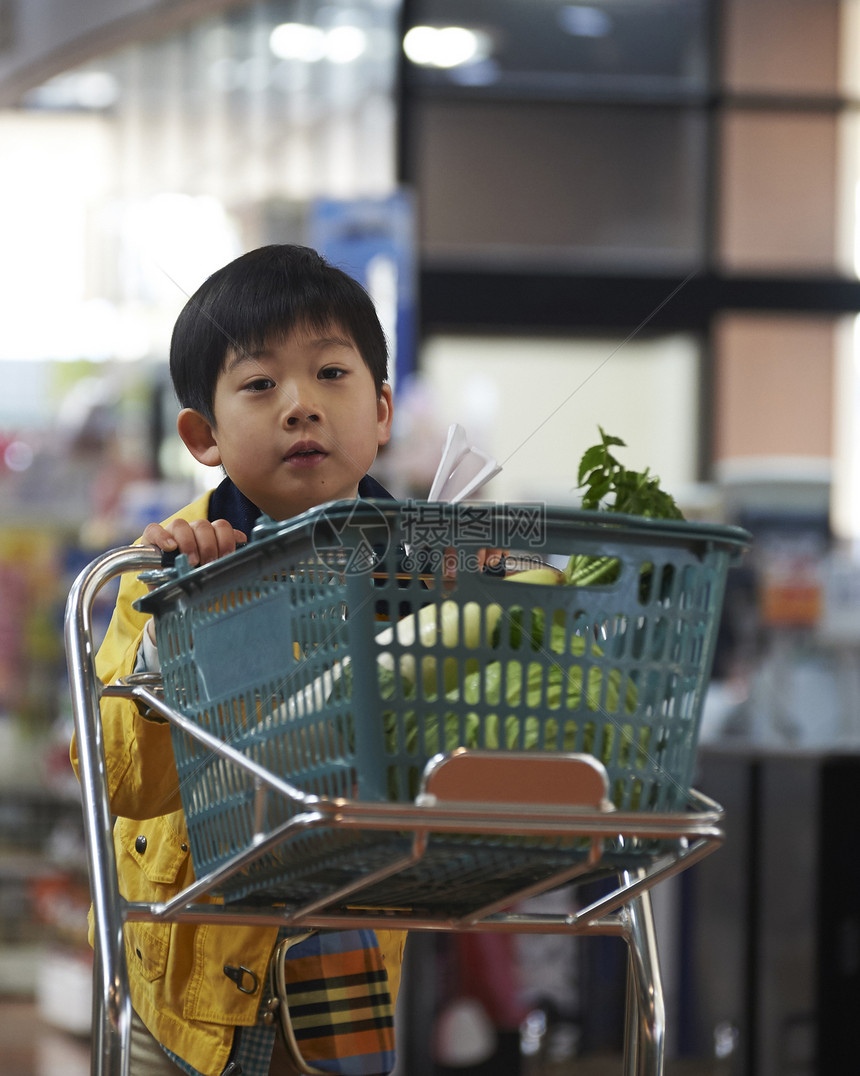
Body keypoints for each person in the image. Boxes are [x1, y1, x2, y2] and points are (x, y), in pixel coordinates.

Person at [71, 245, 406, 1076]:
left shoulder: (422, 569)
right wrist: (174, 632)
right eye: (260, 385)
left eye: (332, 373)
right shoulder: (167, 570)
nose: (301, 406)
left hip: (338, 971)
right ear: (204, 435)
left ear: (382, 412)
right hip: (172, 973)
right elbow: (115, 782)